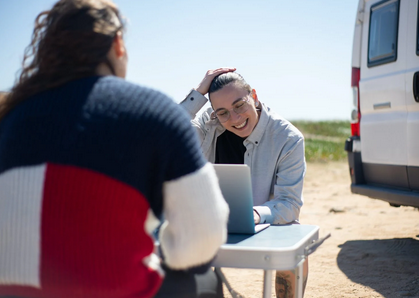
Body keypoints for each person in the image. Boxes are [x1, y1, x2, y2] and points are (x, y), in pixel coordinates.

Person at [0, 1, 228, 298]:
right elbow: (202, 239)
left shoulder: (10, 117)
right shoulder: (153, 111)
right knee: (205, 283)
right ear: (118, 44)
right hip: (109, 291)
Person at [180, 68, 308, 298]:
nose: (235, 119)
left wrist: (256, 215)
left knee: (294, 247)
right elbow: (170, 132)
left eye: (239, 106)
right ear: (214, 113)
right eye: (223, 113)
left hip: (264, 222)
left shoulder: (288, 138)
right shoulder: (206, 124)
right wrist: (198, 93)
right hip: (208, 220)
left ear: (254, 96)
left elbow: (289, 204)